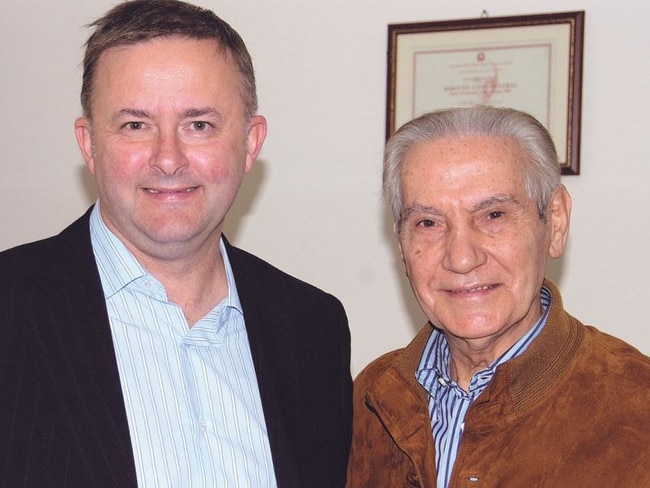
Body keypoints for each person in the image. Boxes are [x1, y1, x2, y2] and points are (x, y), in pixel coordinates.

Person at [0, 1, 352, 486]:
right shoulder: (10, 306)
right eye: (135, 125)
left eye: (199, 125)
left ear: (251, 143)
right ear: (89, 144)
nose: (168, 158)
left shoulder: (314, 329)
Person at [346, 106, 650, 488]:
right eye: (428, 223)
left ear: (555, 221)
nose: (461, 257)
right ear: (401, 243)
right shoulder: (371, 399)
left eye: (493, 216)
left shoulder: (635, 406)